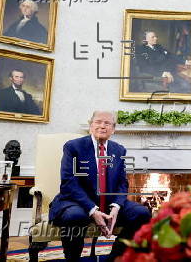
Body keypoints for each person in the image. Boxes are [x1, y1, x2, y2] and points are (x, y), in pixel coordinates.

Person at [48, 111, 151, 261]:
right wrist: (92, 209)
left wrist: (116, 206)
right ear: (91, 126)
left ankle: (115, 257)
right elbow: (68, 182)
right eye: (98, 122)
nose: (102, 126)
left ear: (113, 129)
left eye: (107, 123)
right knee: (74, 216)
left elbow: (122, 183)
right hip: (76, 202)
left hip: (108, 202)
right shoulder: (73, 147)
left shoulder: (119, 150)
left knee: (142, 213)